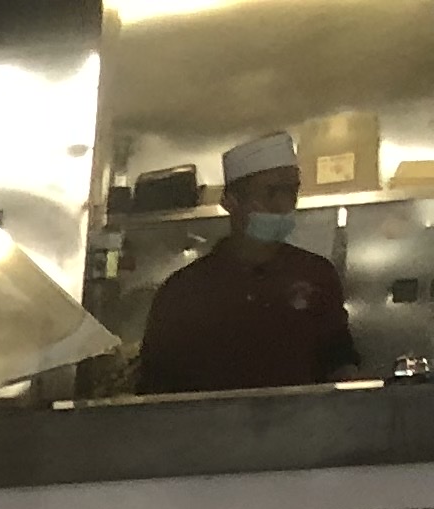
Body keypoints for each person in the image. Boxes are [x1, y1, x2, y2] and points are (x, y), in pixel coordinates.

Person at [137, 131, 358, 396]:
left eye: (291, 191)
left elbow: (340, 362)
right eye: (271, 193)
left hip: (303, 420)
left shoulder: (316, 275)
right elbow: (156, 389)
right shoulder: (184, 292)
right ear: (230, 202)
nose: (284, 204)